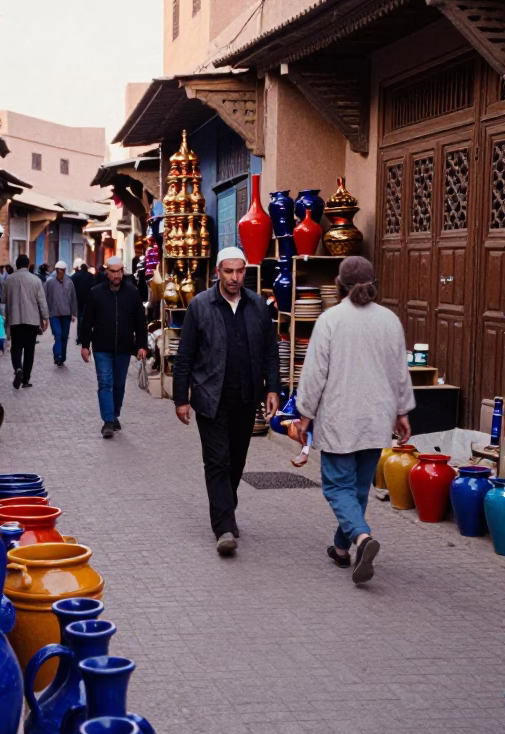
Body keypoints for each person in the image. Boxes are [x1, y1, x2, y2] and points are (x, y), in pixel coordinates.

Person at [295, 255, 414, 585]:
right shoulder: (390, 321)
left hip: (340, 418)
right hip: (376, 419)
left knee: (337, 487)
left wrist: (304, 413)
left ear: (338, 285)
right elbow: (399, 373)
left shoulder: (331, 320)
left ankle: (361, 539)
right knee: (358, 489)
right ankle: (341, 549)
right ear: (374, 285)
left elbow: (315, 373)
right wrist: (402, 412)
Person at [174, 246, 280, 557]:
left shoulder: (258, 305)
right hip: (210, 397)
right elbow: (185, 356)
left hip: (246, 398)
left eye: (240, 271)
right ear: (218, 271)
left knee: (236, 461)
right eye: (229, 271)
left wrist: (272, 387)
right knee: (217, 461)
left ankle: (226, 508)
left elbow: (270, 352)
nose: (235, 278)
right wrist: (181, 398)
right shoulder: (200, 306)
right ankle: (223, 527)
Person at [79, 255, 147, 438]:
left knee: (119, 385)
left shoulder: (132, 293)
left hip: (124, 347)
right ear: (107, 272)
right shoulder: (96, 293)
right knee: (105, 383)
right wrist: (85, 345)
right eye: (113, 272)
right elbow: (87, 321)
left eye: (119, 271)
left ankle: (115, 413)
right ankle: (108, 421)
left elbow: (140, 321)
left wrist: (142, 345)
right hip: (101, 346)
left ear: (122, 272)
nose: (117, 275)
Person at [2, 254, 49, 389]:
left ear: (16, 265)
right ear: (28, 265)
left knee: (16, 348)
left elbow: (3, 299)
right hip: (32, 321)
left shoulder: (9, 280)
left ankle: (18, 368)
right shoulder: (36, 280)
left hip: (15, 320)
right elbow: (42, 301)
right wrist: (45, 318)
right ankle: (26, 379)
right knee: (29, 350)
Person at [45, 260, 78, 365]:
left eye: (62, 270)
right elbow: (45, 297)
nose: (60, 272)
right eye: (58, 270)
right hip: (53, 313)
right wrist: (44, 314)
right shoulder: (49, 283)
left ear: (64, 271)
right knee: (58, 335)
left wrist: (74, 313)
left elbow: (73, 299)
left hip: (66, 314)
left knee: (64, 336)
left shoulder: (69, 283)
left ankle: (62, 356)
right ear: (56, 270)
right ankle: (58, 355)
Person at [71, 262, 94, 336]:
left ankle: (79, 334)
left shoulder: (76, 276)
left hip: (78, 299)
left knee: (80, 316)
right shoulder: (90, 276)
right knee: (87, 317)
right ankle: (86, 333)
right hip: (88, 299)